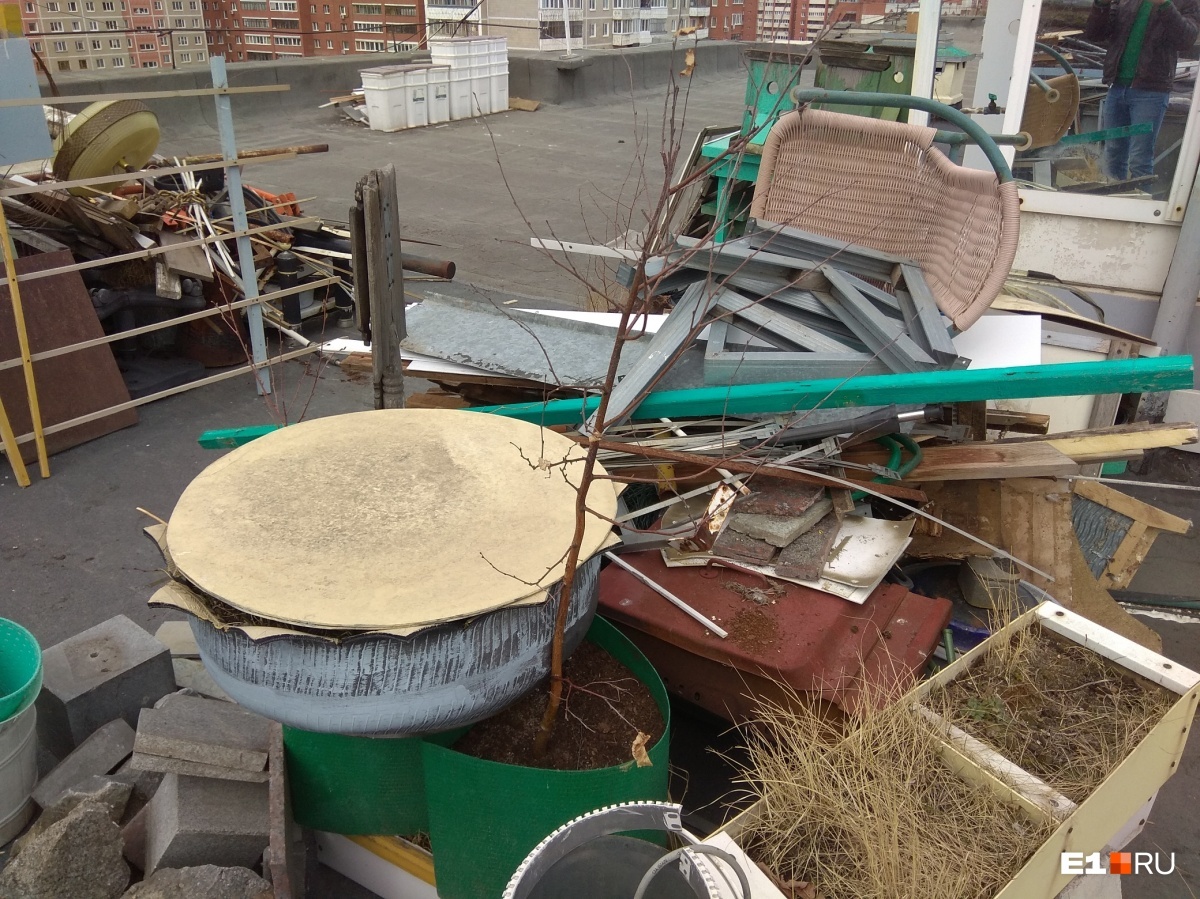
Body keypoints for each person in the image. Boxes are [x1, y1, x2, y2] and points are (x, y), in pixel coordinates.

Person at [1084, 0, 1200, 181]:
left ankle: (1141, 205)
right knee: (1112, 154)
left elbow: (1186, 39)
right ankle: (1113, 205)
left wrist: (1165, 5)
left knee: (1140, 159)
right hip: (1117, 87)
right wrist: (1101, 5)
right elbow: (1094, 34)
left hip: (1152, 91)